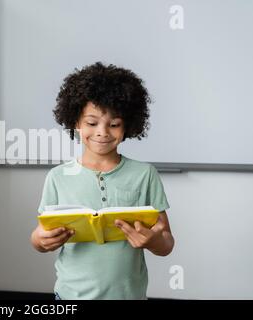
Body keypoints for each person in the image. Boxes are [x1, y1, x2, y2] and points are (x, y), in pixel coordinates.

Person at [30, 62, 175, 300]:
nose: (102, 132)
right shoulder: (57, 177)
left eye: (114, 124)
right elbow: (39, 237)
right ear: (76, 122)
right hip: (70, 297)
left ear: (127, 125)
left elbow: (166, 242)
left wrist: (154, 240)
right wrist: (39, 240)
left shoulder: (145, 174)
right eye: (92, 122)